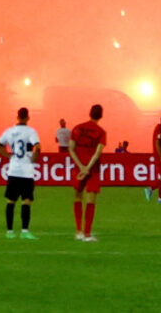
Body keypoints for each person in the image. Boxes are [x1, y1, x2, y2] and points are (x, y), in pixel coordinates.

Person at [0, 106, 42, 238]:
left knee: (10, 201)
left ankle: (9, 232)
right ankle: (25, 231)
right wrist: (33, 158)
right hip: (26, 170)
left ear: (17, 117)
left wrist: (8, 156)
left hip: (14, 169)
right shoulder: (31, 132)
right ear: (27, 117)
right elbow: (37, 147)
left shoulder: (9, 131)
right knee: (26, 200)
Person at [69, 103, 108, 242]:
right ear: (101, 115)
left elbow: (71, 148)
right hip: (93, 169)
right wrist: (87, 168)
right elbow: (97, 153)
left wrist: (80, 166)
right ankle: (87, 234)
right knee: (90, 200)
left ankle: (78, 231)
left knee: (78, 197)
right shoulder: (101, 132)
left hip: (78, 168)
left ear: (89, 113)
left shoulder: (77, 128)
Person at [146, 113, 161, 204]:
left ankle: (152, 191)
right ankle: (158, 197)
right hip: (159, 157)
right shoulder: (159, 129)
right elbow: (157, 143)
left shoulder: (160, 129)